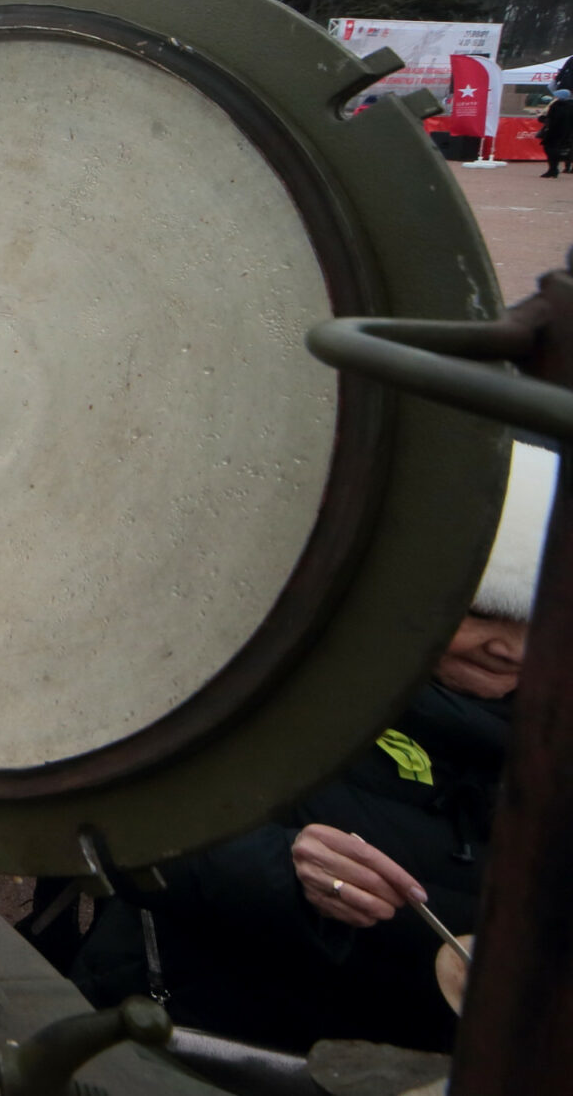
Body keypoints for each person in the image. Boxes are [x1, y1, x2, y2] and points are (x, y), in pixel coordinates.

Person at [64, 440, 546, 1053]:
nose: (511, 648)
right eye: (479, 610)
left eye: (542, 618)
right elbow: (117, 820)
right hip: (198, 1041)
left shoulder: (551, 743)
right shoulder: (277, 669)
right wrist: (281, 868)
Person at [540, 87, 573, 178]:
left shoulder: (556, 106)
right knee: (557, 149)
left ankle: (553, 169)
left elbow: (552, 119)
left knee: (550, 149)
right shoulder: (570, 106)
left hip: (554, 132)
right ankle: (555, 168)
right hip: (566, 133)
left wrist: (543, 119)